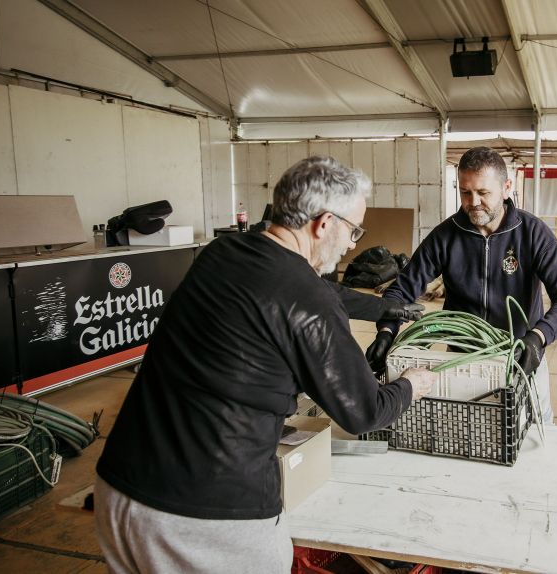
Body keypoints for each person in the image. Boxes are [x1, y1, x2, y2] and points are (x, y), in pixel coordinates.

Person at [94, 156, 437, 573]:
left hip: (120, 489)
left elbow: (306, 291)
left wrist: (386, 308)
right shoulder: (310, 300)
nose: (352, 245)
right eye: (354, 230)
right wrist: (410, 385)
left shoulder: (224, 251)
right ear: (325, 223)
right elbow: (364, 410)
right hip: (205, 517)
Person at [365, 146, 557, 424]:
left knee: (533, 432)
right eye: (466, 192)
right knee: (469, 430)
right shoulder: (446, 236)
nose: (473, 202)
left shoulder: (532, 233)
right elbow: (401, 289)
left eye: (483, 193)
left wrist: (538, 337)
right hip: (463, 362)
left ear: (506, 188)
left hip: (521, 358)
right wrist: (386, 331)